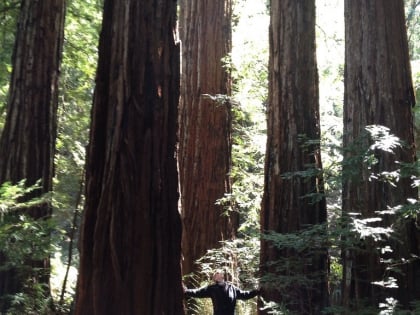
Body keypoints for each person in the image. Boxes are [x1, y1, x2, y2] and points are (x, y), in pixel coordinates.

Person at [184, 271, 260, 315]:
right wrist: (187, 291)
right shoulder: (212, 288)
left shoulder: (232, 288)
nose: (216, 276)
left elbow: (244, 295)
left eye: (218, 274)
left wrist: (256, 292)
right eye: (215, 276)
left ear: (222, 276)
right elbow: (198, 292)